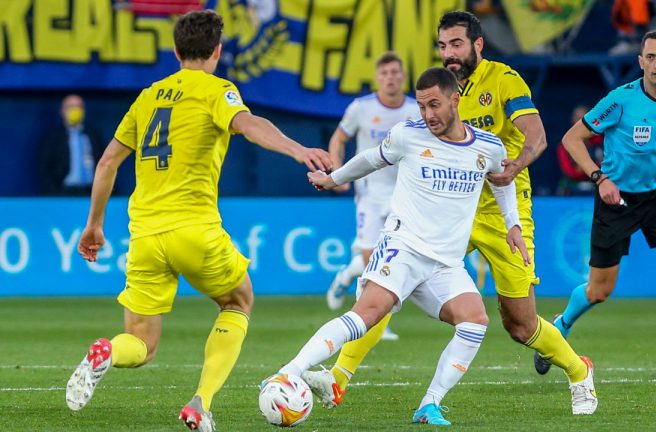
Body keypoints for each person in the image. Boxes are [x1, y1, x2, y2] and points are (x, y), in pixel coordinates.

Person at [303, 10, 598, 417]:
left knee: (520, 324)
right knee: (383, 295)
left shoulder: (505, 80)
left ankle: (577, 370)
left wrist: (513, 168)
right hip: (447, 213)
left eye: (456, 44)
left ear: (478, 44)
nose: (449, 53)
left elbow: (537, 136)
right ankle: (338, 379)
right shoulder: (440, 93)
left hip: (502, 212)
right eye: (442, 46)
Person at [64, 10, 331, 432]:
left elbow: (108, 161)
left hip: (146, 234)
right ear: (218, 51)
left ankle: (108, 352)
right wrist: (299, 150)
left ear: (175, 51)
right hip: (194, 228)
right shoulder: (217, 90)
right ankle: (200, 404)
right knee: (238, 301)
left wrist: (94, 225)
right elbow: (248, 123)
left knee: (141, 344)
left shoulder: (149, 95)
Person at [271, 67, 528, 426]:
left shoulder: (487, 145)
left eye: (435, 105)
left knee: (475, 321)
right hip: (403, 247)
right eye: (422, 106)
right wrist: (334, 178)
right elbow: (371, 158)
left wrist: (513, 224)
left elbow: (503, 182)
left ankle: (430, 403)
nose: (428, 115)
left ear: (456, 100)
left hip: (446, 264)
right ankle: (288, 372)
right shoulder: (409, 135)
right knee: (367, 315)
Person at [534, 30, 656, 378]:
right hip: (616, 198)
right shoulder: (620, 100)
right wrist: (599, 178)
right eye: (650, 57)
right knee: (599, 290)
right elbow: (571, 139)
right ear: (640, 62)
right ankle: (560, 327)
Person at [325, 52, 420, 345]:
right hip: (369, 192)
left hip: (403, 193)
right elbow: (339, 138)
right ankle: (354, 278)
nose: (391, 77)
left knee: (392, 256)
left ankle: (375, 317)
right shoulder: (361, 108)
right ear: (378, 78)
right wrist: (335, 172)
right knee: (372, 259)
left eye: (395, 72)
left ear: (403, 76)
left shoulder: (416, 110)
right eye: (385, 73)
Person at [37, 94, 105, 196]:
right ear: (62, 111)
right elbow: (44, 169)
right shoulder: (52, 138)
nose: (75, 110)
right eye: (70, 107)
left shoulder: (94, 136)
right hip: (64, 194)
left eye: (79, 107)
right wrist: (54, 193)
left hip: (91, 193)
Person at [556, 104, 604, 196]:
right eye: (576, 118)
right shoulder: (565, 145)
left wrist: (582, 167)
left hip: (599, 186)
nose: (578, 123)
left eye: (581, 119)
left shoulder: (600, 142)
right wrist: (593, 166)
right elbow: (571, 173)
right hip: (572, 189)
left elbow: (607, 168)